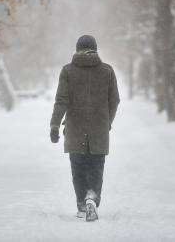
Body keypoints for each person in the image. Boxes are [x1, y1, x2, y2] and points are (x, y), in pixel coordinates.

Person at [50, 35, 120, 222]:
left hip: (75, 130)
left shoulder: (68, 71)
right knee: (96, 167)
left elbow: (61, 101)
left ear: (77, 49)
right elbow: (114, 101)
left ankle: (82, 204)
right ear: (95, 49)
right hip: (99, 131)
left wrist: (55, 125)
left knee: (78, 169)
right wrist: (107, 122)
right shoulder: (107, 71)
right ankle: (92, 198)